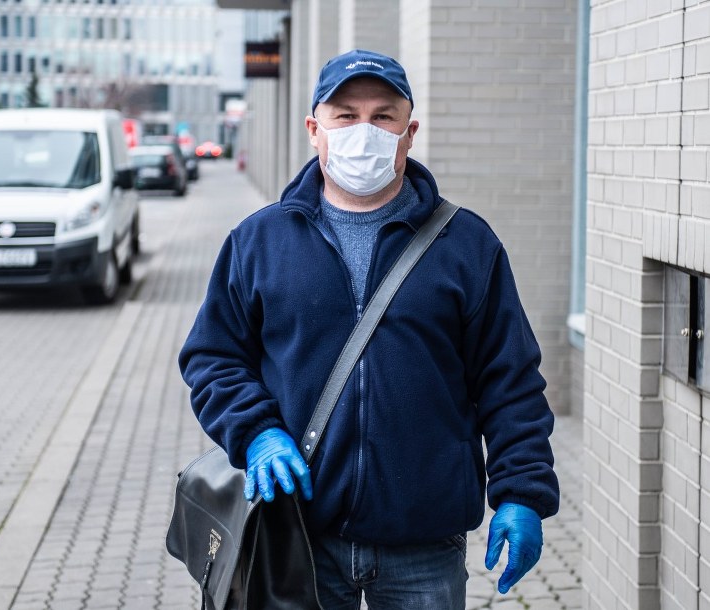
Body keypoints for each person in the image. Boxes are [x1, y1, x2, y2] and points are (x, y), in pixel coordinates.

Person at [178, 49, 560, 609]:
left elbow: (510, 380)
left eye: (383, 116)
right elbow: (213, 358)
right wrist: (256, 432)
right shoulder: (259, 242)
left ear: (410, 131)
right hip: (296, 537)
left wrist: (521, 492)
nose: (365, 131)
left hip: (424, 545)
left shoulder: (467, 246)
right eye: (345, 116)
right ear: (315, 129)